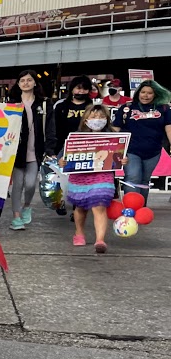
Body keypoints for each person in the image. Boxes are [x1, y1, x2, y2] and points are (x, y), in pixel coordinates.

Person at [61, 104, 125, 254]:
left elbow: (118, 156)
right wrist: (62, 161)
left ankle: (100, 240)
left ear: (107, 119)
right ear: (86, 120)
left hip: (103, 176)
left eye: (102, 117)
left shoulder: (113, 138)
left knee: (100, 205)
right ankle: (79, 233)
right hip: (80, 177)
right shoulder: (76, 137)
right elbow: (63, 155)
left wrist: (122, 160)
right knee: (81, 208)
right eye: (94, 117)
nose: (98, 120)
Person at [115, 79, 171, 204]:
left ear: (155, 94)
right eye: (143, 92)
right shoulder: (127, 108)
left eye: (149, 93)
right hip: (131, 150)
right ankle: (131, 209)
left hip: (153, 151)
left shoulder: (164, 109)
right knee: (133, 177)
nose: (145, 95)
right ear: (138, 92)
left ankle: (140, 208)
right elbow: (115, 129)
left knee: (144, 180)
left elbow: (169, 130)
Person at [7, 69, 48, 231]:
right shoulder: (11, 103)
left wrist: (49, 148)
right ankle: (16, 217)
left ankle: (27, 206)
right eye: (22, 80)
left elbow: (49, 128)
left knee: (31, 184)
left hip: (35, 151)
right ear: (18, 84)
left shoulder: (43, 104)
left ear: (34, 83)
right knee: (17, 185)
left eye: (29, 80)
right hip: (16, 151)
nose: (25, 83)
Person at [45, 76, 94, 157]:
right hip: (62, 147)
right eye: (78, 88)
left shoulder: (93, 106)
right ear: (72, 89)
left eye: (85, 89)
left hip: (88, 147)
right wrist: (51, 150)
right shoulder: (61, 106)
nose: (81, 91)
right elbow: (53, 129)